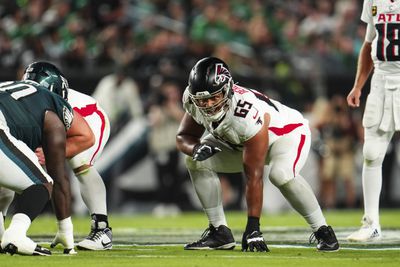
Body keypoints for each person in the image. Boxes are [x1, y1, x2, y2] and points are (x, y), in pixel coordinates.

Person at [176, 56, 339, 252]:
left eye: (215, 97)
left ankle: (323, 231)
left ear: (227, 90)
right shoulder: (192, 100)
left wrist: (253, 229)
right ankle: (219, 232)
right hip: (241, 142)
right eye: (203, 100)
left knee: (280, 175)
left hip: (286, 135)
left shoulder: (245, 114)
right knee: (194, 161)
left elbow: (254, 174)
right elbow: (184, 136)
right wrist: (196, 148)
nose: (209, 104)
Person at [22, 61, 113, 250]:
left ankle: (102, 230)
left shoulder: (61, 102)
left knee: (80, 162)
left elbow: (86, 138)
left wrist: (49, 153)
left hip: (89, 120)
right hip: (62, 125)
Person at [0, 76, 93, 255]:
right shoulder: (52, 107)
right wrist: (66, 230)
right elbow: (58, 177)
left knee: (5, 188)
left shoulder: (11, 88)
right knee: (41, 183)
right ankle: (16, 234)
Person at [346, 0, 400, 242]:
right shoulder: (373, 1)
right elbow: (369, 45)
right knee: (371, 152)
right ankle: (371, 223)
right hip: (379, 81)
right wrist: (358, 85)